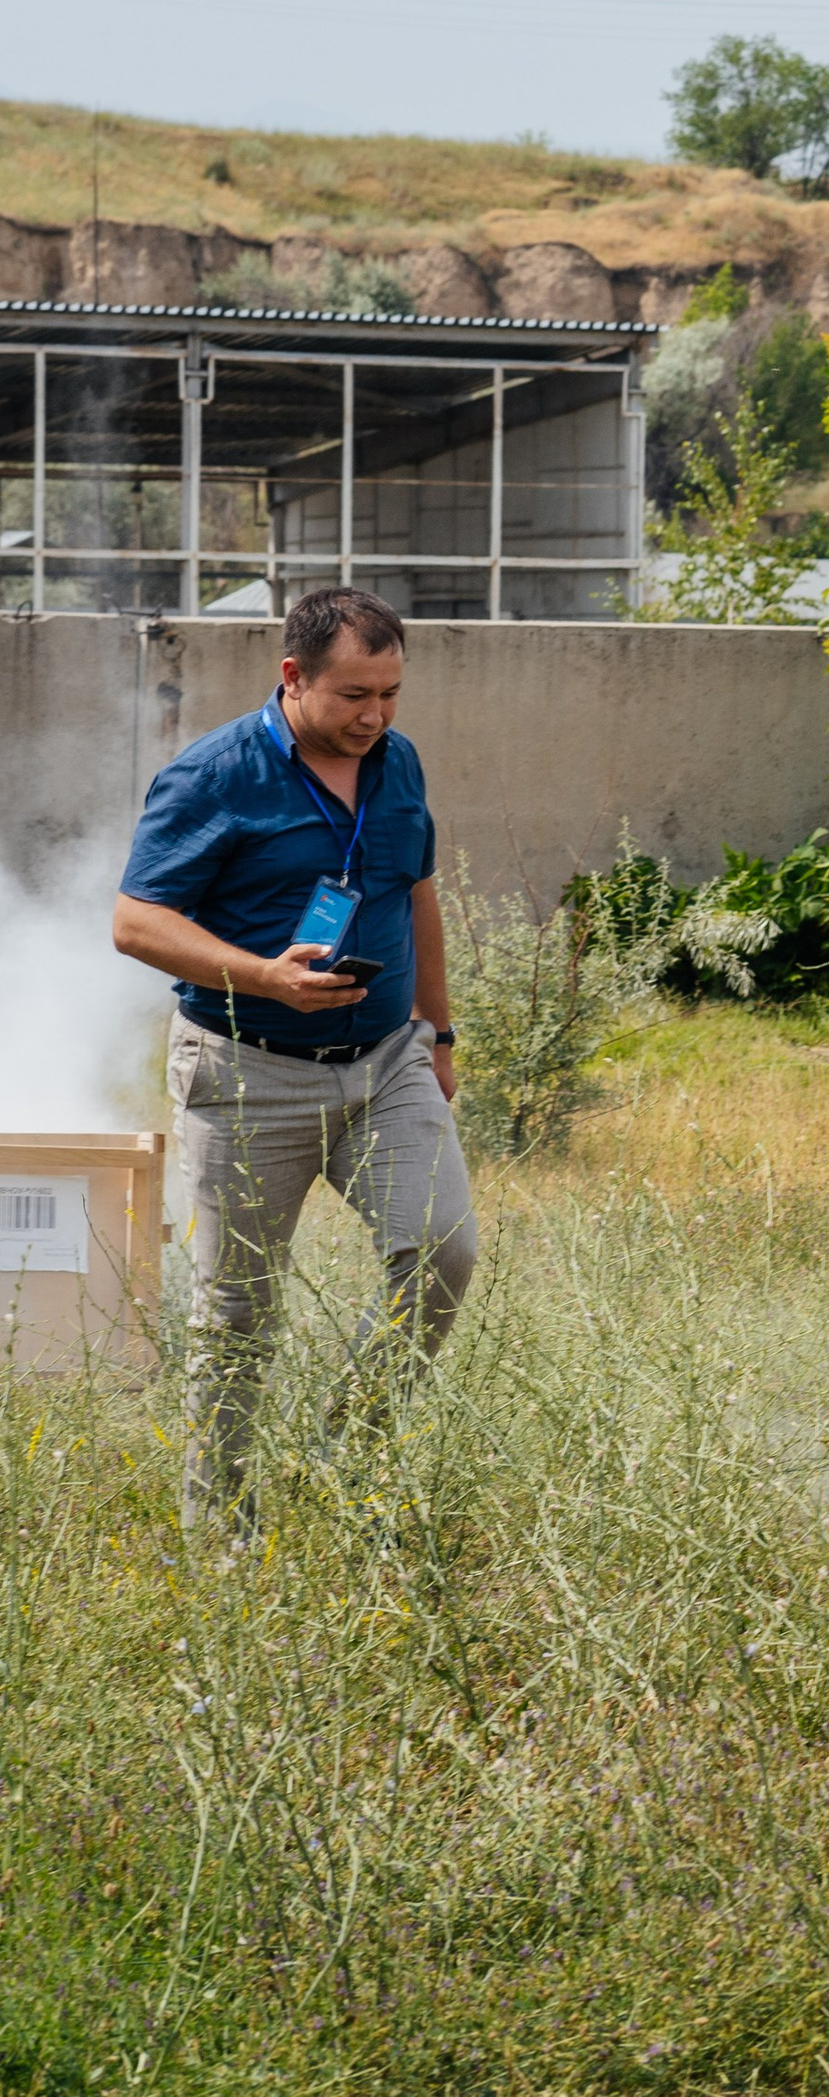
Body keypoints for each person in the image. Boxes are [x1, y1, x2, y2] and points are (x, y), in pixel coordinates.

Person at [112, 588, 475, 1534]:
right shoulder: (213, 776)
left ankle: (348, 1448)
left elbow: (417, 895)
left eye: (391, 693)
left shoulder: (398, 766)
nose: (376, 716)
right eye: (355, 695)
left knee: (442, 1249)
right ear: (293, 677)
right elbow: (135, 922)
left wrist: (438, 1034)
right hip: (246, 1073)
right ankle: (220, 1537)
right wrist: (264, 977)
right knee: (236, 1319)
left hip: (387, 1062)